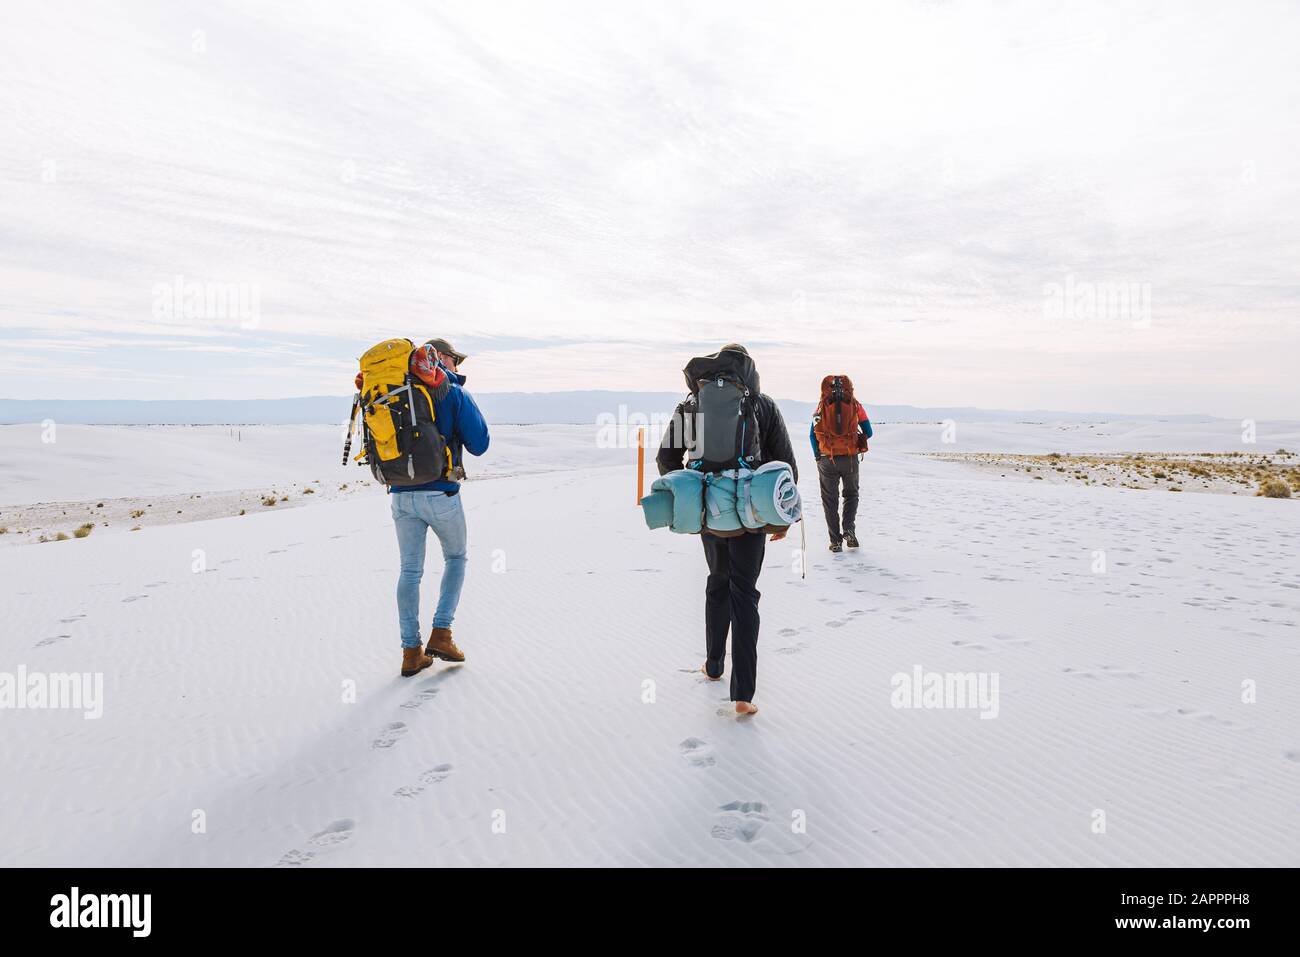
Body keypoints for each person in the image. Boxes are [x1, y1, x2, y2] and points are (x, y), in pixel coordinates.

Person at [656, 344, 798, 715]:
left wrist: (688, 501)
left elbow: (665, 457)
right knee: (744, 593)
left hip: (708, 514)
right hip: (751, 516)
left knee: (718, 580)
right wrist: (781, 518)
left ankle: (714, 665)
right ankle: (743, 695)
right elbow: (785, 464)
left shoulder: (692, 404)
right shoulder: (762, 404)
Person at [356, 338, 490, 677]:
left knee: (410, 571)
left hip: (400, 494)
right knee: (456, 558)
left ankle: (411, 652)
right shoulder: (453, 392)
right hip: (441, 494)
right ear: (442, 358)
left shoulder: (395, 391)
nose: (458, 367)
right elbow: (480, 444)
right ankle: (442, 634)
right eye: (455, 360)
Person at [809, 375, 872, 552]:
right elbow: (869, 431)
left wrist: (818, 455)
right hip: (850, 458)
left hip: (827, 459)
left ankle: (835, 541)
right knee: (851, 495)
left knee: (830, 501)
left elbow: (812, 434)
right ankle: (849, 530)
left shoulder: (821, 406)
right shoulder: (855, 405)